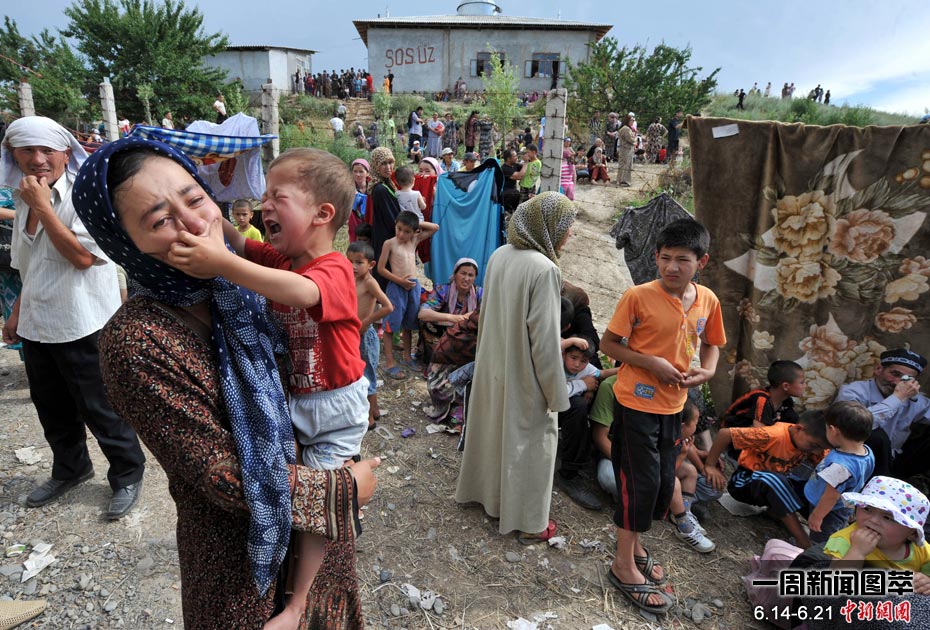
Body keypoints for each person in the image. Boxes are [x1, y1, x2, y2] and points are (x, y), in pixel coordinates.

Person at [72, 136, 378, 628]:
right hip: (240, 566)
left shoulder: (240, 285)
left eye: (195, 199)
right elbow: (218, 473)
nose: (195, 224)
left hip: (321, 534)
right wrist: (342, 490)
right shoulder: (137, 341)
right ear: (123, 243)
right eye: (160, 221)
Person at [164, 147, 373, 629]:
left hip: (335, 409)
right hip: (296, 400)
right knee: (298, 494)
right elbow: (238, 240)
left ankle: (297, 606)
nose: (265, 205)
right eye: (265, 195)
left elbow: (300, 292)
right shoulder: (283, 258)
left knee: (320, 505)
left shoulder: (333, 268)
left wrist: (219, 263)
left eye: (279, 196)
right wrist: (204, 201)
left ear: (323, 214)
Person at [0, 116, 146, 520]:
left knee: (101, 405)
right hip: (37, 322)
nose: (38, 159)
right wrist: (16, 313)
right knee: (51, 406)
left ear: (66, 154)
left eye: (47, 150)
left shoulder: (85, 195)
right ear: (13, 155)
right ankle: (71, 468)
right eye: (27, 150)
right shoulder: (23, 194)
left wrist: (42, 207)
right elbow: (28, 265)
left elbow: (82, 258)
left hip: (83, 320)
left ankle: (128, 473)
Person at [599, 218, 726, 615]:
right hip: (635, 405)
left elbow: (713, 344)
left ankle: (634, 547)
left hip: (674, 407)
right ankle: (622, 564)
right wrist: (649, 362)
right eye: (665, 257)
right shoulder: (638, 296)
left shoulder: (707, 300)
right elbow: (609, 344)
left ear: (701, 261)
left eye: (682, 260)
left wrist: (708, 370)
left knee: (660, 484)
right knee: (638, 484)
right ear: (655, 257)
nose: (672, 267)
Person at [456, 192, 576, 544]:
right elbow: (544, 340)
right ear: (549, 227)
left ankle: (489, 498)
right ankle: (530, 523)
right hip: (525, 372)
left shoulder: (500, 254)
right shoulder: (545, 269)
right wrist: (556, 394)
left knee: (495, 433)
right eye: (567, 226)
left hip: (494, 362)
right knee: (533, 445)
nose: (570, 234)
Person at [705, 410, 828, 548]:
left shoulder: (810, 444)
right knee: (773, 480)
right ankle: (802, 539)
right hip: (745, 481)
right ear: (799, 429)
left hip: (774, 484)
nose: (816, 452)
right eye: (814, 446)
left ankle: (822, 537)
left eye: (820, 448)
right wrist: (710, 465)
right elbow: (725, 434)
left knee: (811, 489)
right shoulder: (773, 435)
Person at [835, 348, 930, 479]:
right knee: (877, 435)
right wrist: (897, 398)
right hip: (854, 455)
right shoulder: (853, 391)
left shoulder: (914, 399)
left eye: (906, 379)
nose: (897, 383)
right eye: (895, 374)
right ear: (879, 369)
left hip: (893, 459)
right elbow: (854, 425)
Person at [823, 476, 930, 583]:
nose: (873, 520)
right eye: (867, 509)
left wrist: (926, 582)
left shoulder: (922, 551)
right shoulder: (845, 540)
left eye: (887, 518)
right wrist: (857, 552)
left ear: (912, 533)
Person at [558, 337, 618, 509]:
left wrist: (627, 368)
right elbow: (556, 394)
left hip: (561, 411)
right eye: (573, 358)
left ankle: (574, 466)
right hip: (541, 407)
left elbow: (601, 374)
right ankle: (570, 473)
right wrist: (583, 385)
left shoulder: (585, 369)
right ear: (564, 354)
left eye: (583, 361)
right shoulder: (555, 362)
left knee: (582, 404)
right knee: (577, 405)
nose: (577, 364)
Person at [377, 211, 438, 379]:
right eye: (399, 228)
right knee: (391, 324)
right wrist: (399, 281)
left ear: (414, 232)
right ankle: (390, 363)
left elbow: (435, 227)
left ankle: (407, 356)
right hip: (397, 287)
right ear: (395, 225)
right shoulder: (390, 243)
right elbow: (380, 269)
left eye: (407, 231)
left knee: (409, 323)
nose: (402, 234)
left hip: (413, 287)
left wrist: (416, 224)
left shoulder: (414, 241)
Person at [803, 400, 874, 543]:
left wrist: (817, 516)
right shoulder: (866, 452)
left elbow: (830, 496)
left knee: (821, 538)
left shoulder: (840, 467)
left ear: (834, 431)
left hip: (829, 510)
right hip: (845, 503)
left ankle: (815, 553)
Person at [347, 241, 393, 429]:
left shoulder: (369, 283)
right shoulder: (351, 279)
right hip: (353, 334)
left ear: (371, 264)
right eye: (350, 261)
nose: (353, 266)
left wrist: (366, 321)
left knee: (366, 375)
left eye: (359, 262)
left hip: (365, 336)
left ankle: (369, 418)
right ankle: (375, 409)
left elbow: (388, 307)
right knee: (360, 373)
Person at [721, 359, 804, 460]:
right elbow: (759, 432)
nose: (804, 386)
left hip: (755, 433)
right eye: (802, 382)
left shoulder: (786, 402)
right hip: (733, 437)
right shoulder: (761, 399)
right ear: (786, 386)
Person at [667, 400, 717, 553]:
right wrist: (682, 454)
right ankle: (684, 526)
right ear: (683, 426)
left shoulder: (680, 436)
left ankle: (685, 512)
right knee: (674, 482)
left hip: (664, 471)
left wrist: (701, 460)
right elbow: (667, 473)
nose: (696, 427)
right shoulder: (667, 439)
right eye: (695, 423)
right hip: (654, 475)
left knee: (690, 471)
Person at [367, 147, 400, 289]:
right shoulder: (380, 189)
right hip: (386, 237)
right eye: (383, 164)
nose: (388, 167)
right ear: (376, 166)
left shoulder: (387, 184)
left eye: (390, 162)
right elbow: (392, 218)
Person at [348, 158, 370, 243]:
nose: (358, 174)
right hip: (354, 221)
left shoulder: (372, 187)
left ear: (367, 173)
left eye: (361, 171)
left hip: (369, 220)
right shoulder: (349, 188)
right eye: (355, 171)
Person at [500, 148, 526, 213]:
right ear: (508, 159)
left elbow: (525, 169)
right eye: (515, 156)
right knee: (516, 194)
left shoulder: (515, 165)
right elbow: (520, 176)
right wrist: (526, 162)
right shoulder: (504, 168)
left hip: (513, 192)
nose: (517, 157)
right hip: (506, 194)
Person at [617, 114, 636, 188]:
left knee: (624, 164)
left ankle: (620, 179)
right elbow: (630, 139)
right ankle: (624, 181)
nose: (633, 121)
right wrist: (635, 140)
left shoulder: (626, 128)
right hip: (626, 149)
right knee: (626, 165)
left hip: (626, 149)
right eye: (631, 120)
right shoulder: (626, 129)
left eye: (633, 120)